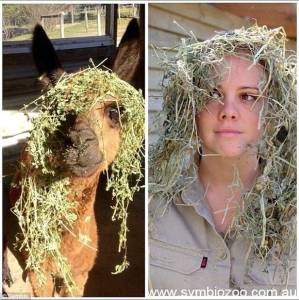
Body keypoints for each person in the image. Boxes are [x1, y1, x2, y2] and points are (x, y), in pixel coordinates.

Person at [149, 25, 296, 296]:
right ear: (189, 108)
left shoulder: (292, 212)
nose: (228, 111)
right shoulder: (152, 204)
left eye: (248, 97)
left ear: (272, 111)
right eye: (213, 94)